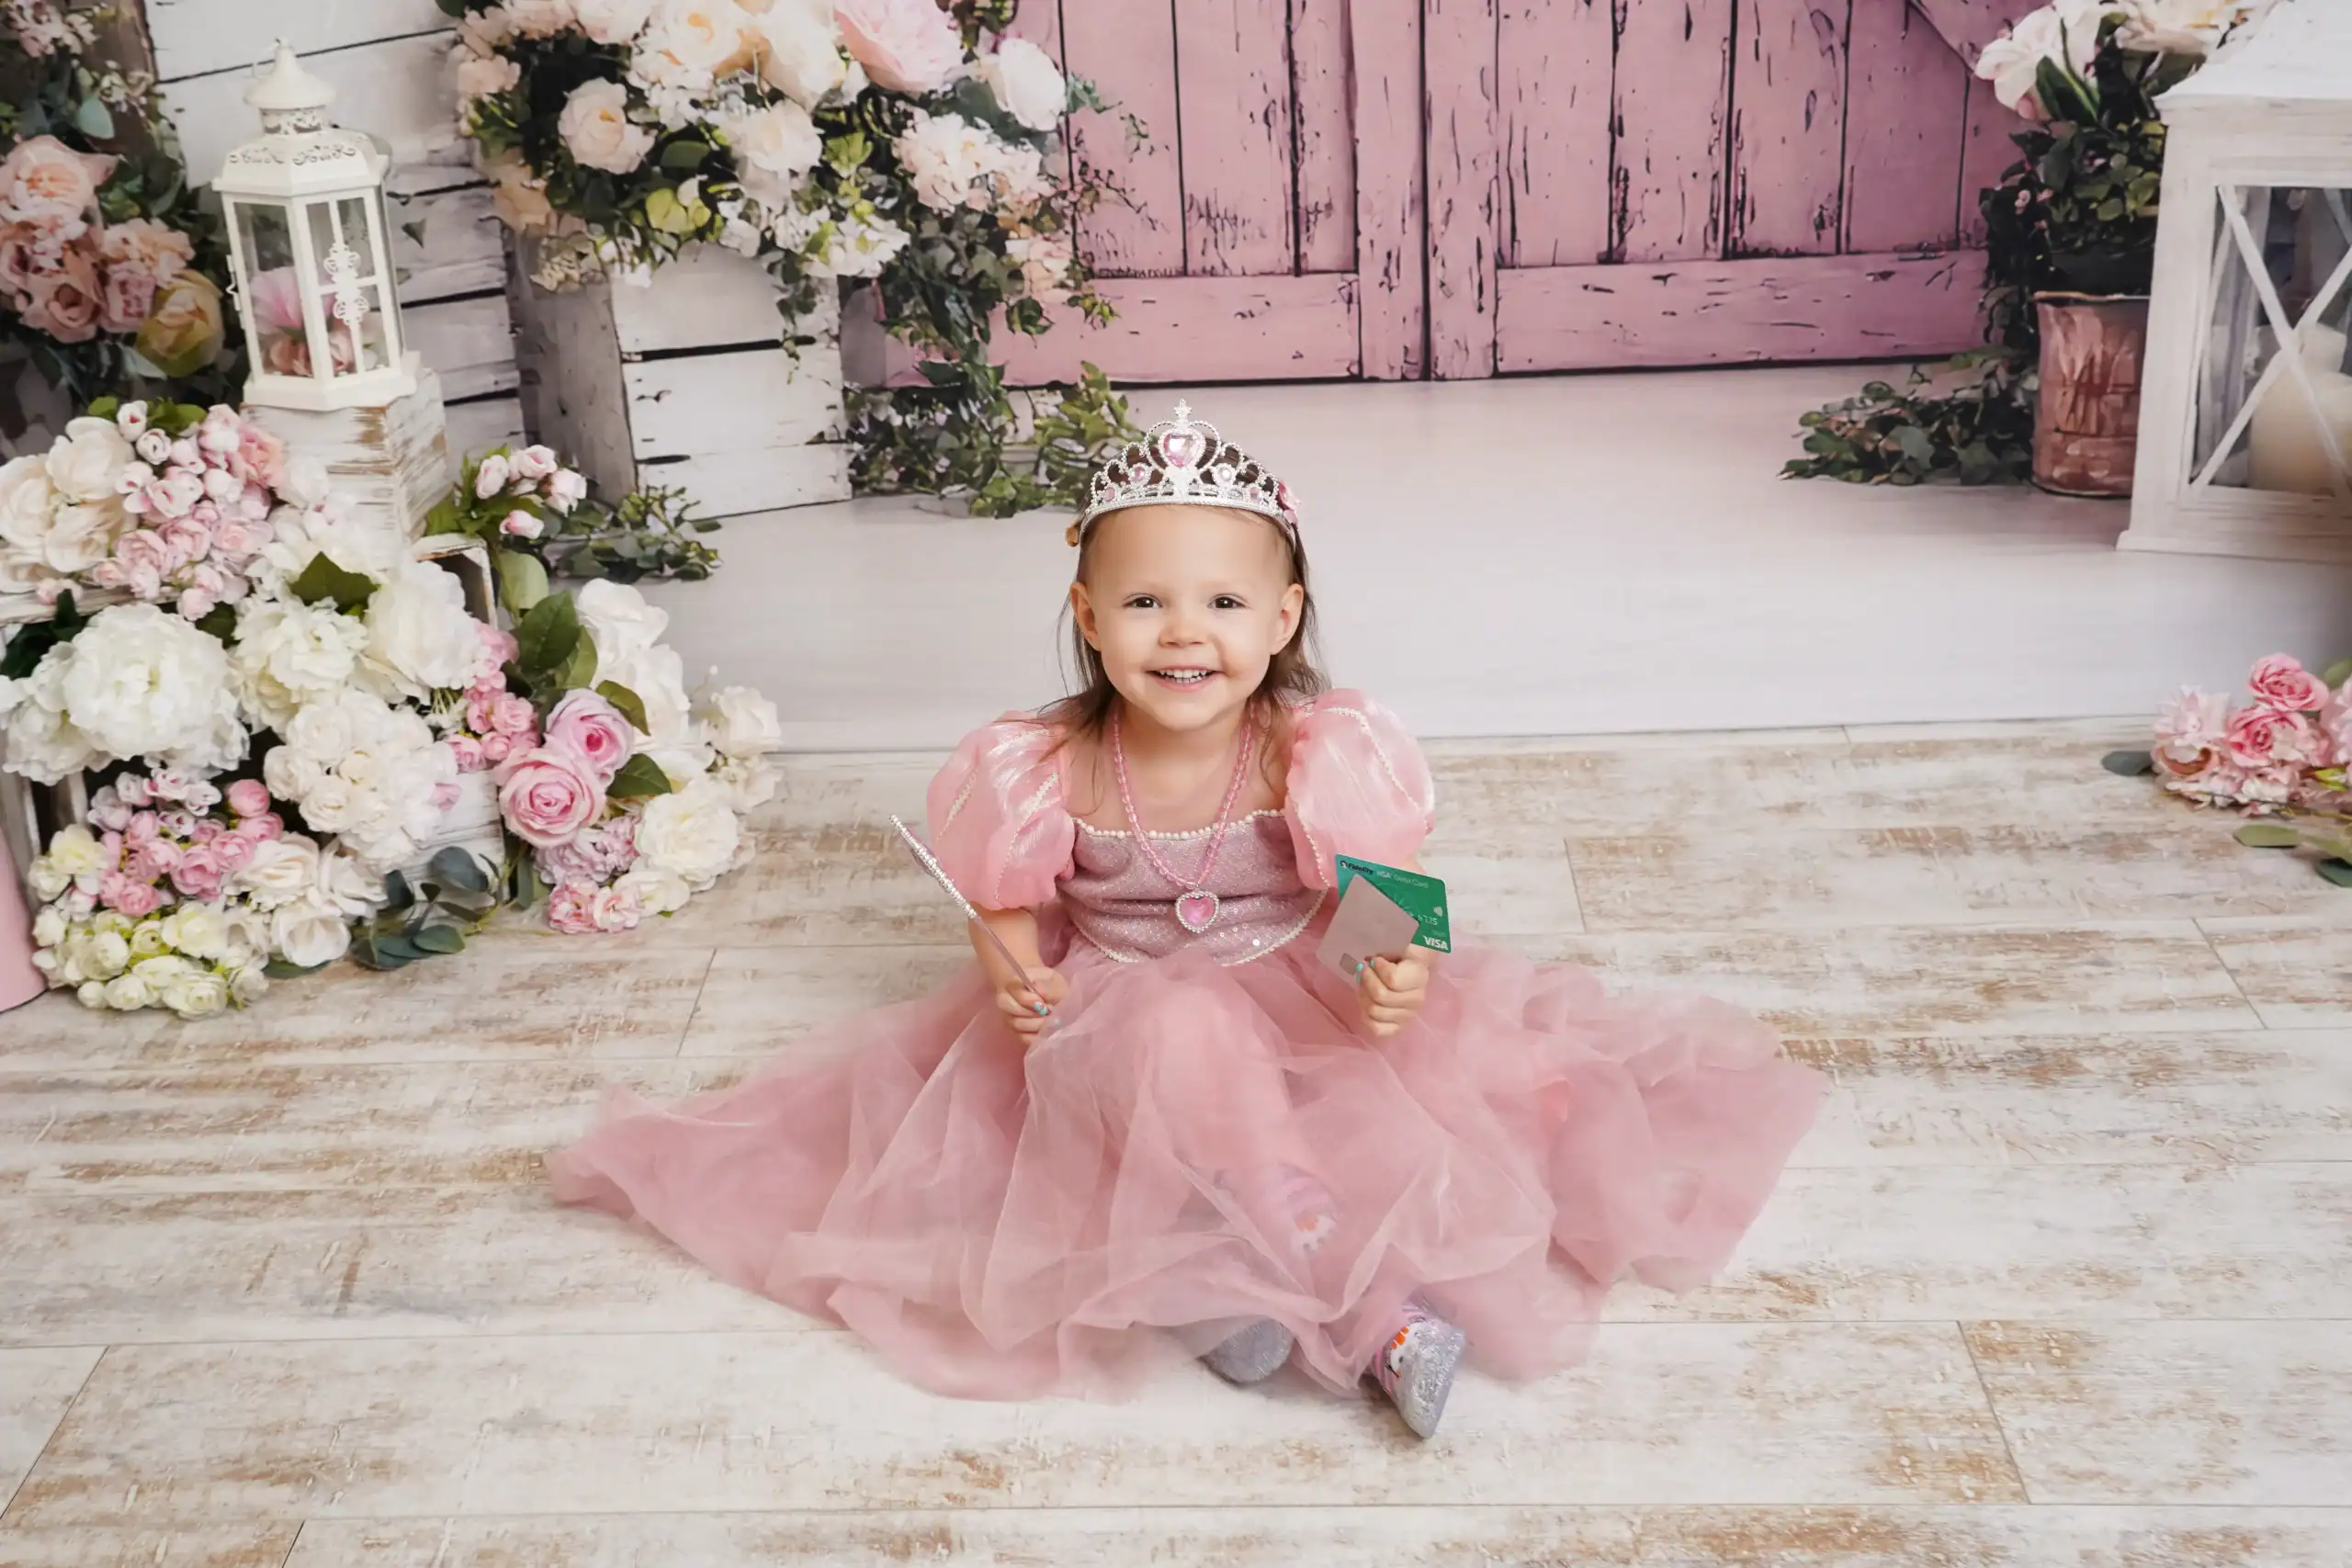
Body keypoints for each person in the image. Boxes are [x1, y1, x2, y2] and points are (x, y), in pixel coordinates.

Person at [548, 402, 1824, 1438]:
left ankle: (1255, 1296)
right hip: (1117, 1013)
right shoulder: (1039, 763)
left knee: (1335, 1093)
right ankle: (1352, 1297)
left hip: (1298, 992)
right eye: (1147, 604)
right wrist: (1016, 978)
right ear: (1091, 619)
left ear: (1281, 620)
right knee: (1174, 1042)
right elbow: (1004, 910)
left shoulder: (1316, 747)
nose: (1185, 635)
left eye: (1222, 604)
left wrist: (1399, 979)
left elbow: (1386, 895)